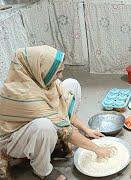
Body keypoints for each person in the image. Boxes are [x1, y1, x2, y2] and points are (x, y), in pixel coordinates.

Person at [0, 45, 111, 180]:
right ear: (40, 69)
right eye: (57, 72)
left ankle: (54, 144)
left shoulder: (40, 80)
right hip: (14, 141)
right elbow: (64, 128)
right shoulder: (22, 94)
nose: (61, 75)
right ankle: (42, 171)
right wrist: (97, 149)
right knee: (44, 126)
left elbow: (62, 110)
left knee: (71, 84)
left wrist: (86, 129)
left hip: (38, 125)